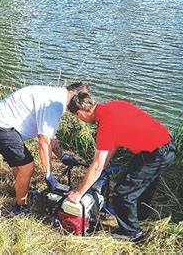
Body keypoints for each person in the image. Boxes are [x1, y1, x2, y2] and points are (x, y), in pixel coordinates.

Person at [66, 92, 175, 242]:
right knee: (142, 185)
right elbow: (112, 145)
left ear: (80, 113)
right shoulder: (113, 105)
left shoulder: (105, 125)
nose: (80, 120)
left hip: (157, 153)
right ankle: (140, 217)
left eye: (77, 117)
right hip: (163, 145)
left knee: (123, 192)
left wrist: (79, 193)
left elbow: (97, 165)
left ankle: (132, 233)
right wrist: (102, 165)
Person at [0, 82, 90, 216]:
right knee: (27, 166)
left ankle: (20, 191)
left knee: (20, 163)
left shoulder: (55, 95)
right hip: (0, 124)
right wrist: (48, 174)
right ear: (75, 95)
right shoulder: (56, 105)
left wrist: (62, 156)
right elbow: (44, 142)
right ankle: (20, 208)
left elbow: (50, 136)